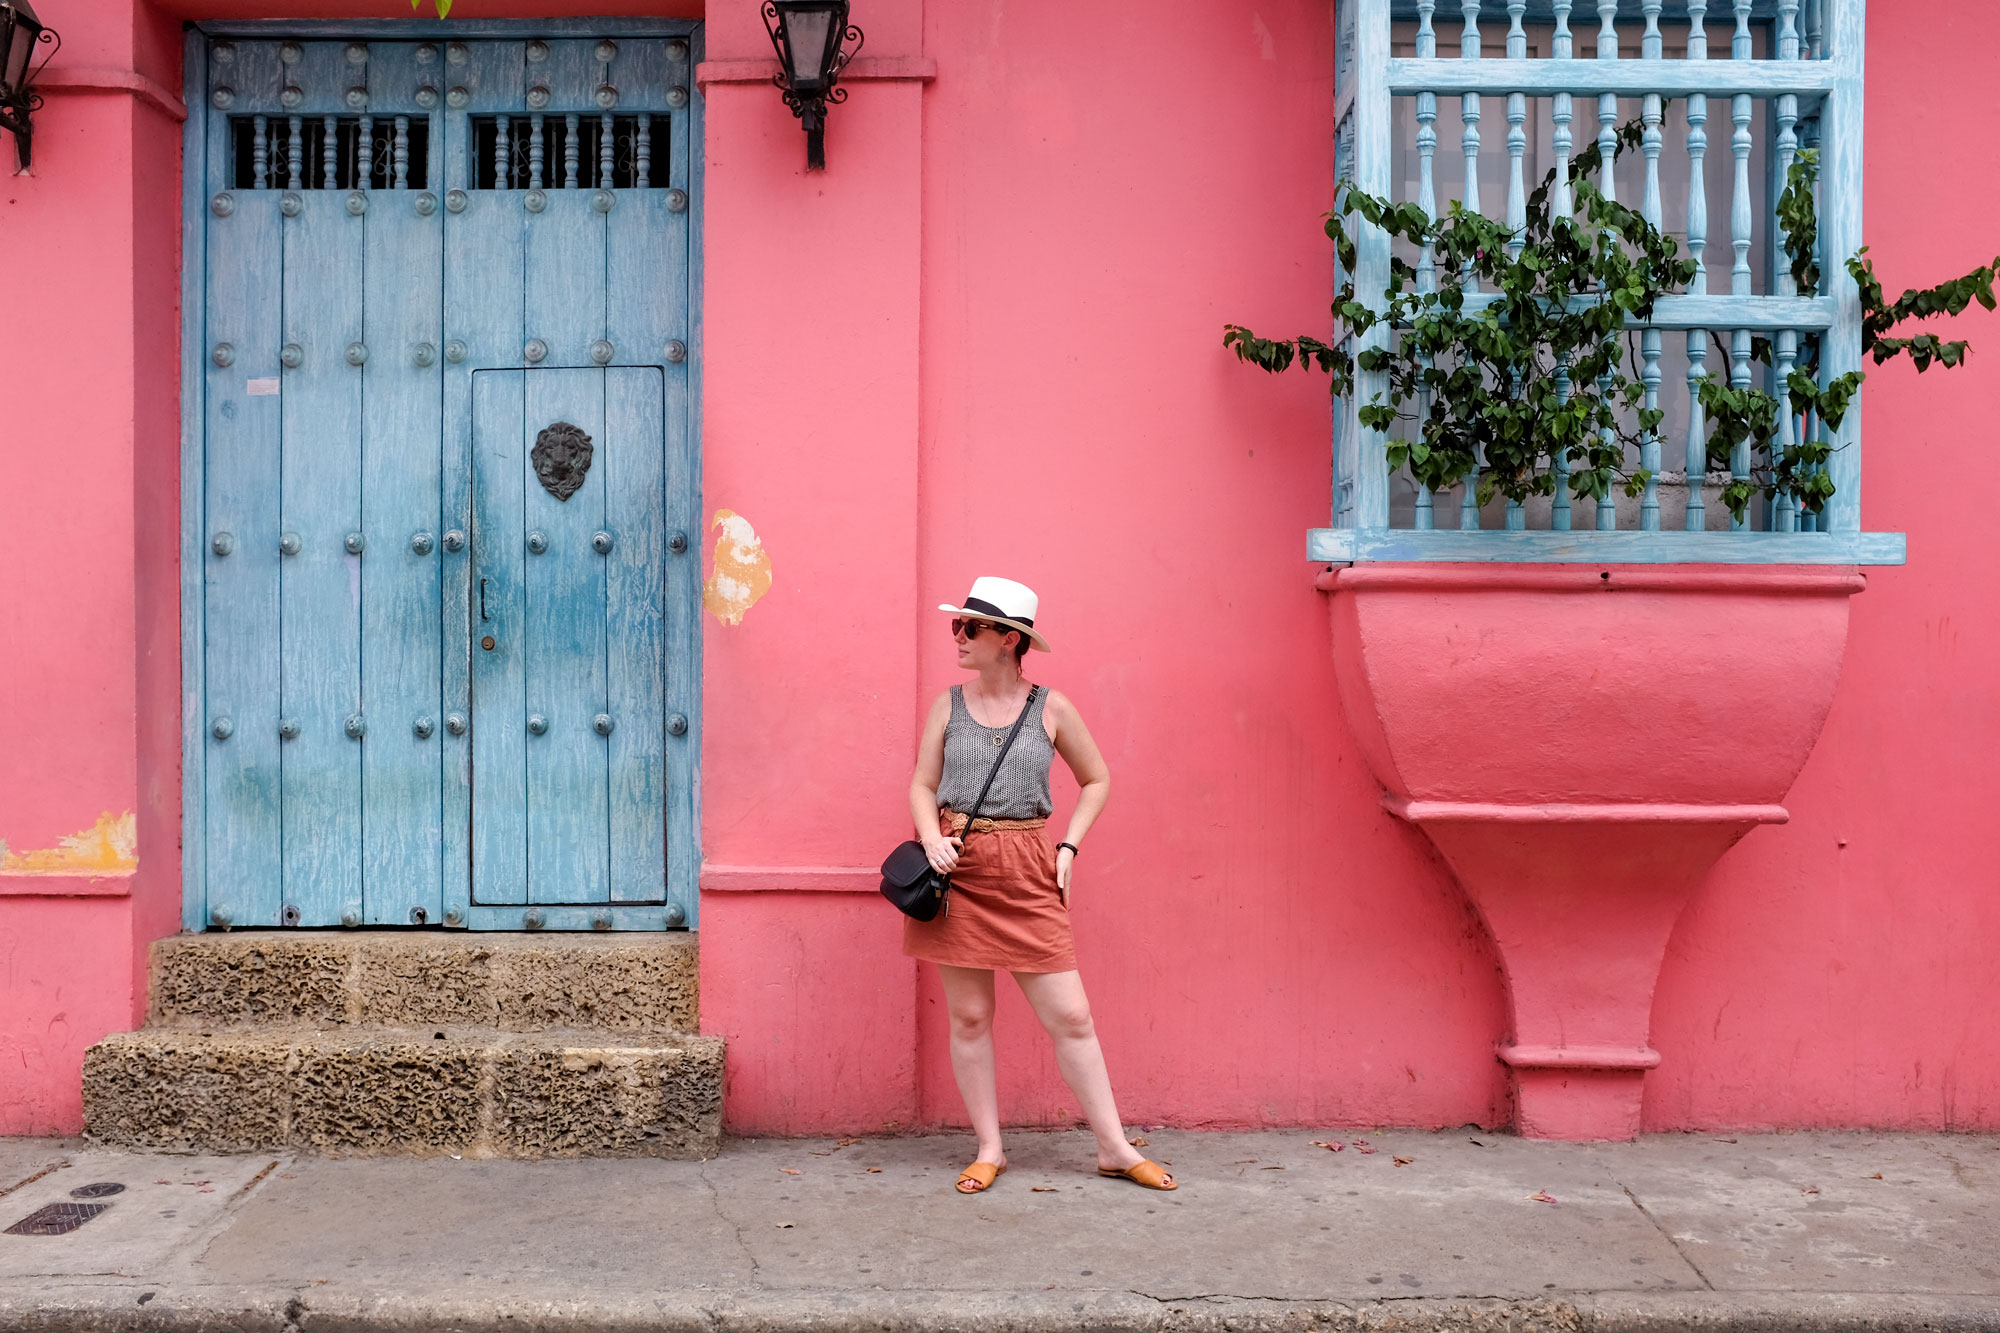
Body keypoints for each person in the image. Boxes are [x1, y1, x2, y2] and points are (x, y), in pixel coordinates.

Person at [904, 576, 1176, 1195]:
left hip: (1028, 869)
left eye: (970, 627)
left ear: (1009, 639)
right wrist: (930, 837)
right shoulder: (947, 704)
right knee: (971, 1016)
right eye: (957, 625)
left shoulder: (1052, 708)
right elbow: (922, 784)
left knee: (1073, 1017)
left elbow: (1098, 779)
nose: (958, 636)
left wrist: (1070, 846)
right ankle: (990, 1149)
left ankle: (1113, 1146)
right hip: (959, 870)